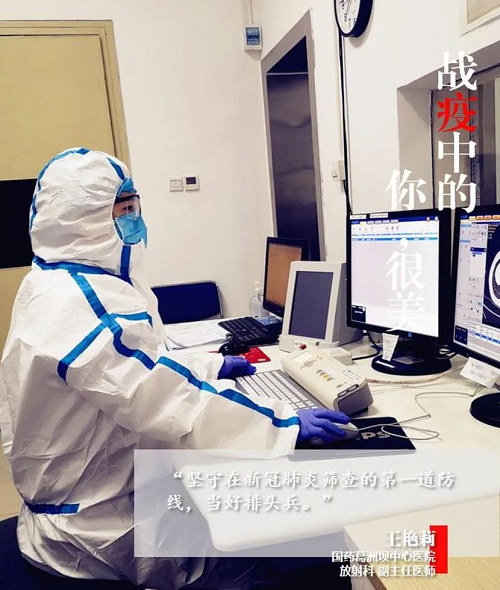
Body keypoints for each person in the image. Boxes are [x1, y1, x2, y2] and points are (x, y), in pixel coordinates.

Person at [0, 149, 350, 589]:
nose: (136, 218)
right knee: (260, 547)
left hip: (79, 503)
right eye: (125, 207)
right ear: (85, 219)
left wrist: (211, 364)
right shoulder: (85, 305)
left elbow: (142, 364)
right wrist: (283, 425)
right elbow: (167, 401)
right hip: (99, 531)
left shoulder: (54, 281)